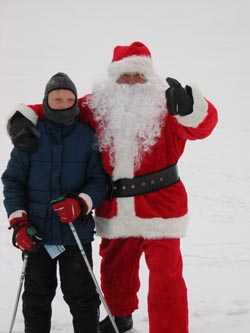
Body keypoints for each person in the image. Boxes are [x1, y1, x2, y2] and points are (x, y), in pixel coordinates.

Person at [6, 42, 218, 333]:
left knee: (166, 278)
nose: (131, 82)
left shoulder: (169, 107)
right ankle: (120, 315)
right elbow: (56, 107)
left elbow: (200, 127)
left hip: (162, 210)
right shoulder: (98, 107)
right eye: (124, 76)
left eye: (138, 75)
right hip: (115, 207)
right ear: (113, 79)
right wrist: (21, 119)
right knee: (115, 270)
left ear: (150, 78)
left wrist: (194, 109)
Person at [2, 72, 107, 333]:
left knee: (83, 298)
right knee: (36, 299)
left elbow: (99, 181)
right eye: (57, 98)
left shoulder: (87, 137)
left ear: (75, 102)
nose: (63, 103)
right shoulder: (30, 135)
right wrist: (19, 223)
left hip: (75, 233)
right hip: (36, 234)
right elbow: (12, 180)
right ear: (47, 101)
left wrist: (81, 203)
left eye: (69, 99)